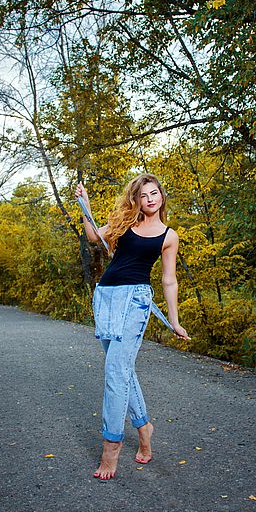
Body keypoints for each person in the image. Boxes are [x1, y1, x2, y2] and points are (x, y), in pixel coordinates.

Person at [75, 173, 190, 480]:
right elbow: (92, 237)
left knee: (115, 370)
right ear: (136, 199)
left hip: (135, 302)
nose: (150, 198)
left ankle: (111, 449)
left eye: (155, 193)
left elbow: (169, 279)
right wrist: (84, 205)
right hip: (106, 297)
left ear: (161, 196)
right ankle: (144, 427)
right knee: (122, 369)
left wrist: (173, 320)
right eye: (144, 195)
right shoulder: (125, 223)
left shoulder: (169, 236)